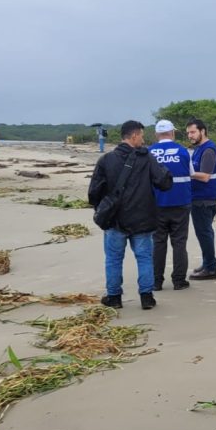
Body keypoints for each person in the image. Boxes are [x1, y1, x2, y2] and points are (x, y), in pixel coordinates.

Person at [88, 120, 173, 310]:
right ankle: (146, 297)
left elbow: (94, 192)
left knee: (113, 259)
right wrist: (166, 170)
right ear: (134, 136)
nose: (143, 139)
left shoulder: (106, 160)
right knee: (144, 258)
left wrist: (102, 207)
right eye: (141, 135)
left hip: (114, 220)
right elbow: (164, 182)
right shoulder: (146, 158)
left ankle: (114, 297)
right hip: (142, 219)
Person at [148, 120, 192, 292]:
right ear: (172, 133)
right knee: (179, 242)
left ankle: (156, 281)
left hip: (156, 204)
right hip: (180, 203)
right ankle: (179, 281)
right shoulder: (182, 151)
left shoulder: (149, 152)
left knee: (158, 242)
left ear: (156, 134)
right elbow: (191, 173)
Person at [187, 118, 216, 281]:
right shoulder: (199, 148)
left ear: (202, 131)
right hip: (204, 197)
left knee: (204, 233)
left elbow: (206, 176)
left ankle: (210, 268)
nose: (190, 136)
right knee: (206, 232)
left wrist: (186, 172)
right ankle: (208, 262)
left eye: (193, 132)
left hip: (205, 198)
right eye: (188, 133)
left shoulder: (208, 150)